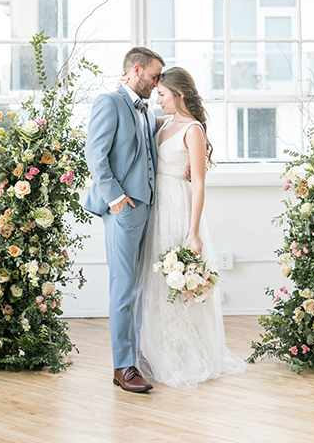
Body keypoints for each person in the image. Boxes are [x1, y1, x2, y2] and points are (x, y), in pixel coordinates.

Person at [135, 67, 246, 388]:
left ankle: (186, 351)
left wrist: (193, 231)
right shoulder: (164, 122)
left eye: (163, 94)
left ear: (179, 95)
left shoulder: (193, 130)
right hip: (157, 207)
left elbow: (199, 183)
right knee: (157, 278)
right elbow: (133, 116)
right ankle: (160, 349)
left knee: (176, 277)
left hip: (179, 207)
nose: (158, 99)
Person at [84, 46, 165, 393]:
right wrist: (116, 200)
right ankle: (123, 367)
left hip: (148, 206)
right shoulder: (109, 102)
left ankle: (137, 356)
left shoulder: (145, 108)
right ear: (135, 70)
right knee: (123, 288)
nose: (157, 82)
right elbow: (95, 155)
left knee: (140, 286)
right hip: (124, 208)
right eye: (154, 76)